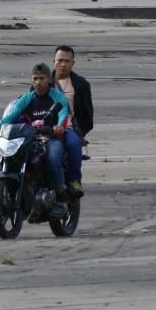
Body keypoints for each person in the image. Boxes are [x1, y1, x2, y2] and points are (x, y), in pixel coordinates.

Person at [0, 63, 70, 218]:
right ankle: (11, 198)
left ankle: (61, 199)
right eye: (35, 78)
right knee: (13, 158)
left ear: (49, 79)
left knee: (52, 159)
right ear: (31, 80)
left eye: (42, 78)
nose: (38, 82)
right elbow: (11, 116)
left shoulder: (58, 98)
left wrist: (58, 126)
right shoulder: (27, 98)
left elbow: (63, 113)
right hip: (30, 138)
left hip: (51, 138)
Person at [50, 45, 94, 196]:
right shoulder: (41, 81)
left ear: (72, 63)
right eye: (60, 60)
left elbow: (87, 114)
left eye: (67, 61)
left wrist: (80, 133)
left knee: (74, 145)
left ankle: (74, 181)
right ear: (53, 62)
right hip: (43, 129)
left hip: (68, 128)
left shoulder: (81, 84)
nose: (63, 64)